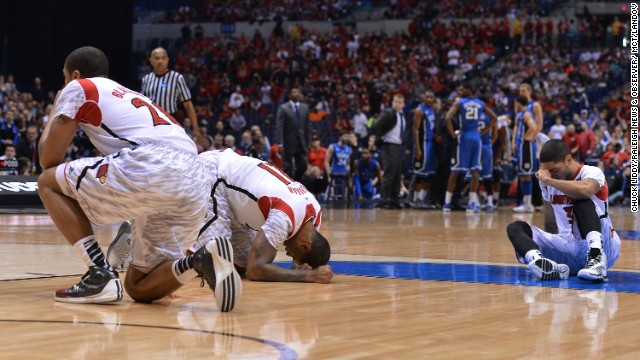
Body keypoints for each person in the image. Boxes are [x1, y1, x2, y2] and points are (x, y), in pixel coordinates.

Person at [37, 46, 241, 311]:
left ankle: (99, 272)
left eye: (64, 77)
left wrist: (55, 109)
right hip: (194, 176)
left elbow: (47, 159)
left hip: (153, 164)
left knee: (47, 183)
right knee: (139, 286)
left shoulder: (79, 87)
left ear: (75, 74)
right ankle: (200, 260)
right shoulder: (129, 94)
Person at [110, 149, 332, 283]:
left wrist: (300, 269)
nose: (288, 253)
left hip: (236, 197)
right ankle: (139, 236)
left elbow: (252, 267)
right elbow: (258, 270)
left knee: (239, 267)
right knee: (213, 263)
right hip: (216, 176)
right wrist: (308, 277)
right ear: (305, 246)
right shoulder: (285, 215)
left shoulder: (315, 215)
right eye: (294, 256)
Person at [506, 140, 620, 282]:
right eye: (547, 171)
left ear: (568, 159)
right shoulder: (547, 181)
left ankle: (596, 257)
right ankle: (541, 263)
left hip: (605, 245)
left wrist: (548, 180)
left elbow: (586, 190)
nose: (551, 175)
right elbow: (551, 216)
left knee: (580, 200)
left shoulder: (592, 172)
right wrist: (547, 242)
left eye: (554, 170)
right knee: (516, 228)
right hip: (570, 248)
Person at [443, 84, 497, 212]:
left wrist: (452, 133)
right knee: (475, 171)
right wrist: (483, 132)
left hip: (464, 136)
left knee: (456, 170)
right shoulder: (480, 103)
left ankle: (447, 203)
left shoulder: (459, 102)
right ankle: (472, 203)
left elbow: (447, 118)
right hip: (476, 137)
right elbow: (494, 118)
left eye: (462, 89)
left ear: (468, 90)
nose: (459, 91)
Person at [140, 47, 202, 143]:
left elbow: (188, 104)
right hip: (151, 125)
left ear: (167, 60)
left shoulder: (177, 78)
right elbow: (142, 106)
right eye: (156, 58)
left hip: (171, 123)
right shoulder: (146, 79)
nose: (160, 61)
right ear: (151, 61)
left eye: (163, 58)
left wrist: (196, 129)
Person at [372, 93, 407, 209]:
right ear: (392, 102)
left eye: (400, 102)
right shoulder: (389, 112)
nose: (397, 104)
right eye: (395, 102)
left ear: (403, 104)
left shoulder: (402, 115)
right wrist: (379, 136)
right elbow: (376, 125)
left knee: (397, 175)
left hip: (398, 146)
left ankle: (394, 200)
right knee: (389, 174)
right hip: (389, 145)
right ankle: (382, 200)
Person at [274, 88, 312, 181]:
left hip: (301, 142)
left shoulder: (305, 108)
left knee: (303, 165)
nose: (296, 94)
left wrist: (309, 142)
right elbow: (280, 127)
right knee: (287, 167)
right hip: (288, 142)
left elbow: (308, 127)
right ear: (290, 95)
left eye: (298, 92)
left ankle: (295, 181)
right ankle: (287, 187)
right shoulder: (284, 108)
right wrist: (280, 143)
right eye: (294, 92)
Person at [512, 96, 540, 213]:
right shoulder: (521, 114)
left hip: (526, 146)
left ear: (519, 102)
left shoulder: (527, 114)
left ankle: (528, 204)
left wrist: (525, 138)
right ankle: (526, 203)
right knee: (523, 175)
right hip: (522, 147)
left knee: (527, 174)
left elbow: (533, 127)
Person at [411, 90, 437, 208]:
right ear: (423, 98)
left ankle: (422, 198)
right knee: (420, 174)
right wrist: (417, 148)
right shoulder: (420, 110)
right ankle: (415, 200)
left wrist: (436, 137)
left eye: (431, 97)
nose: (429, 99)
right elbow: (415, 130)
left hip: (431, 143)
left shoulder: (432, 110)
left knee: (430, 174)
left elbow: (431, 128)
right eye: (427, 97)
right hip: (423, 143)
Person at [324, 131, 352, 200]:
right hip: (334, 174)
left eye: (348, 137)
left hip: (344, 176)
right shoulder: (332, 147)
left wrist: (348, 173)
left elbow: (348, 164)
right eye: (345, 136)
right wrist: (329, 175)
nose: (347, 138)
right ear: (340, 137)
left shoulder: (349, 149)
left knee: (343, 198)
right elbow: (326, 162)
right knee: (330, 197)